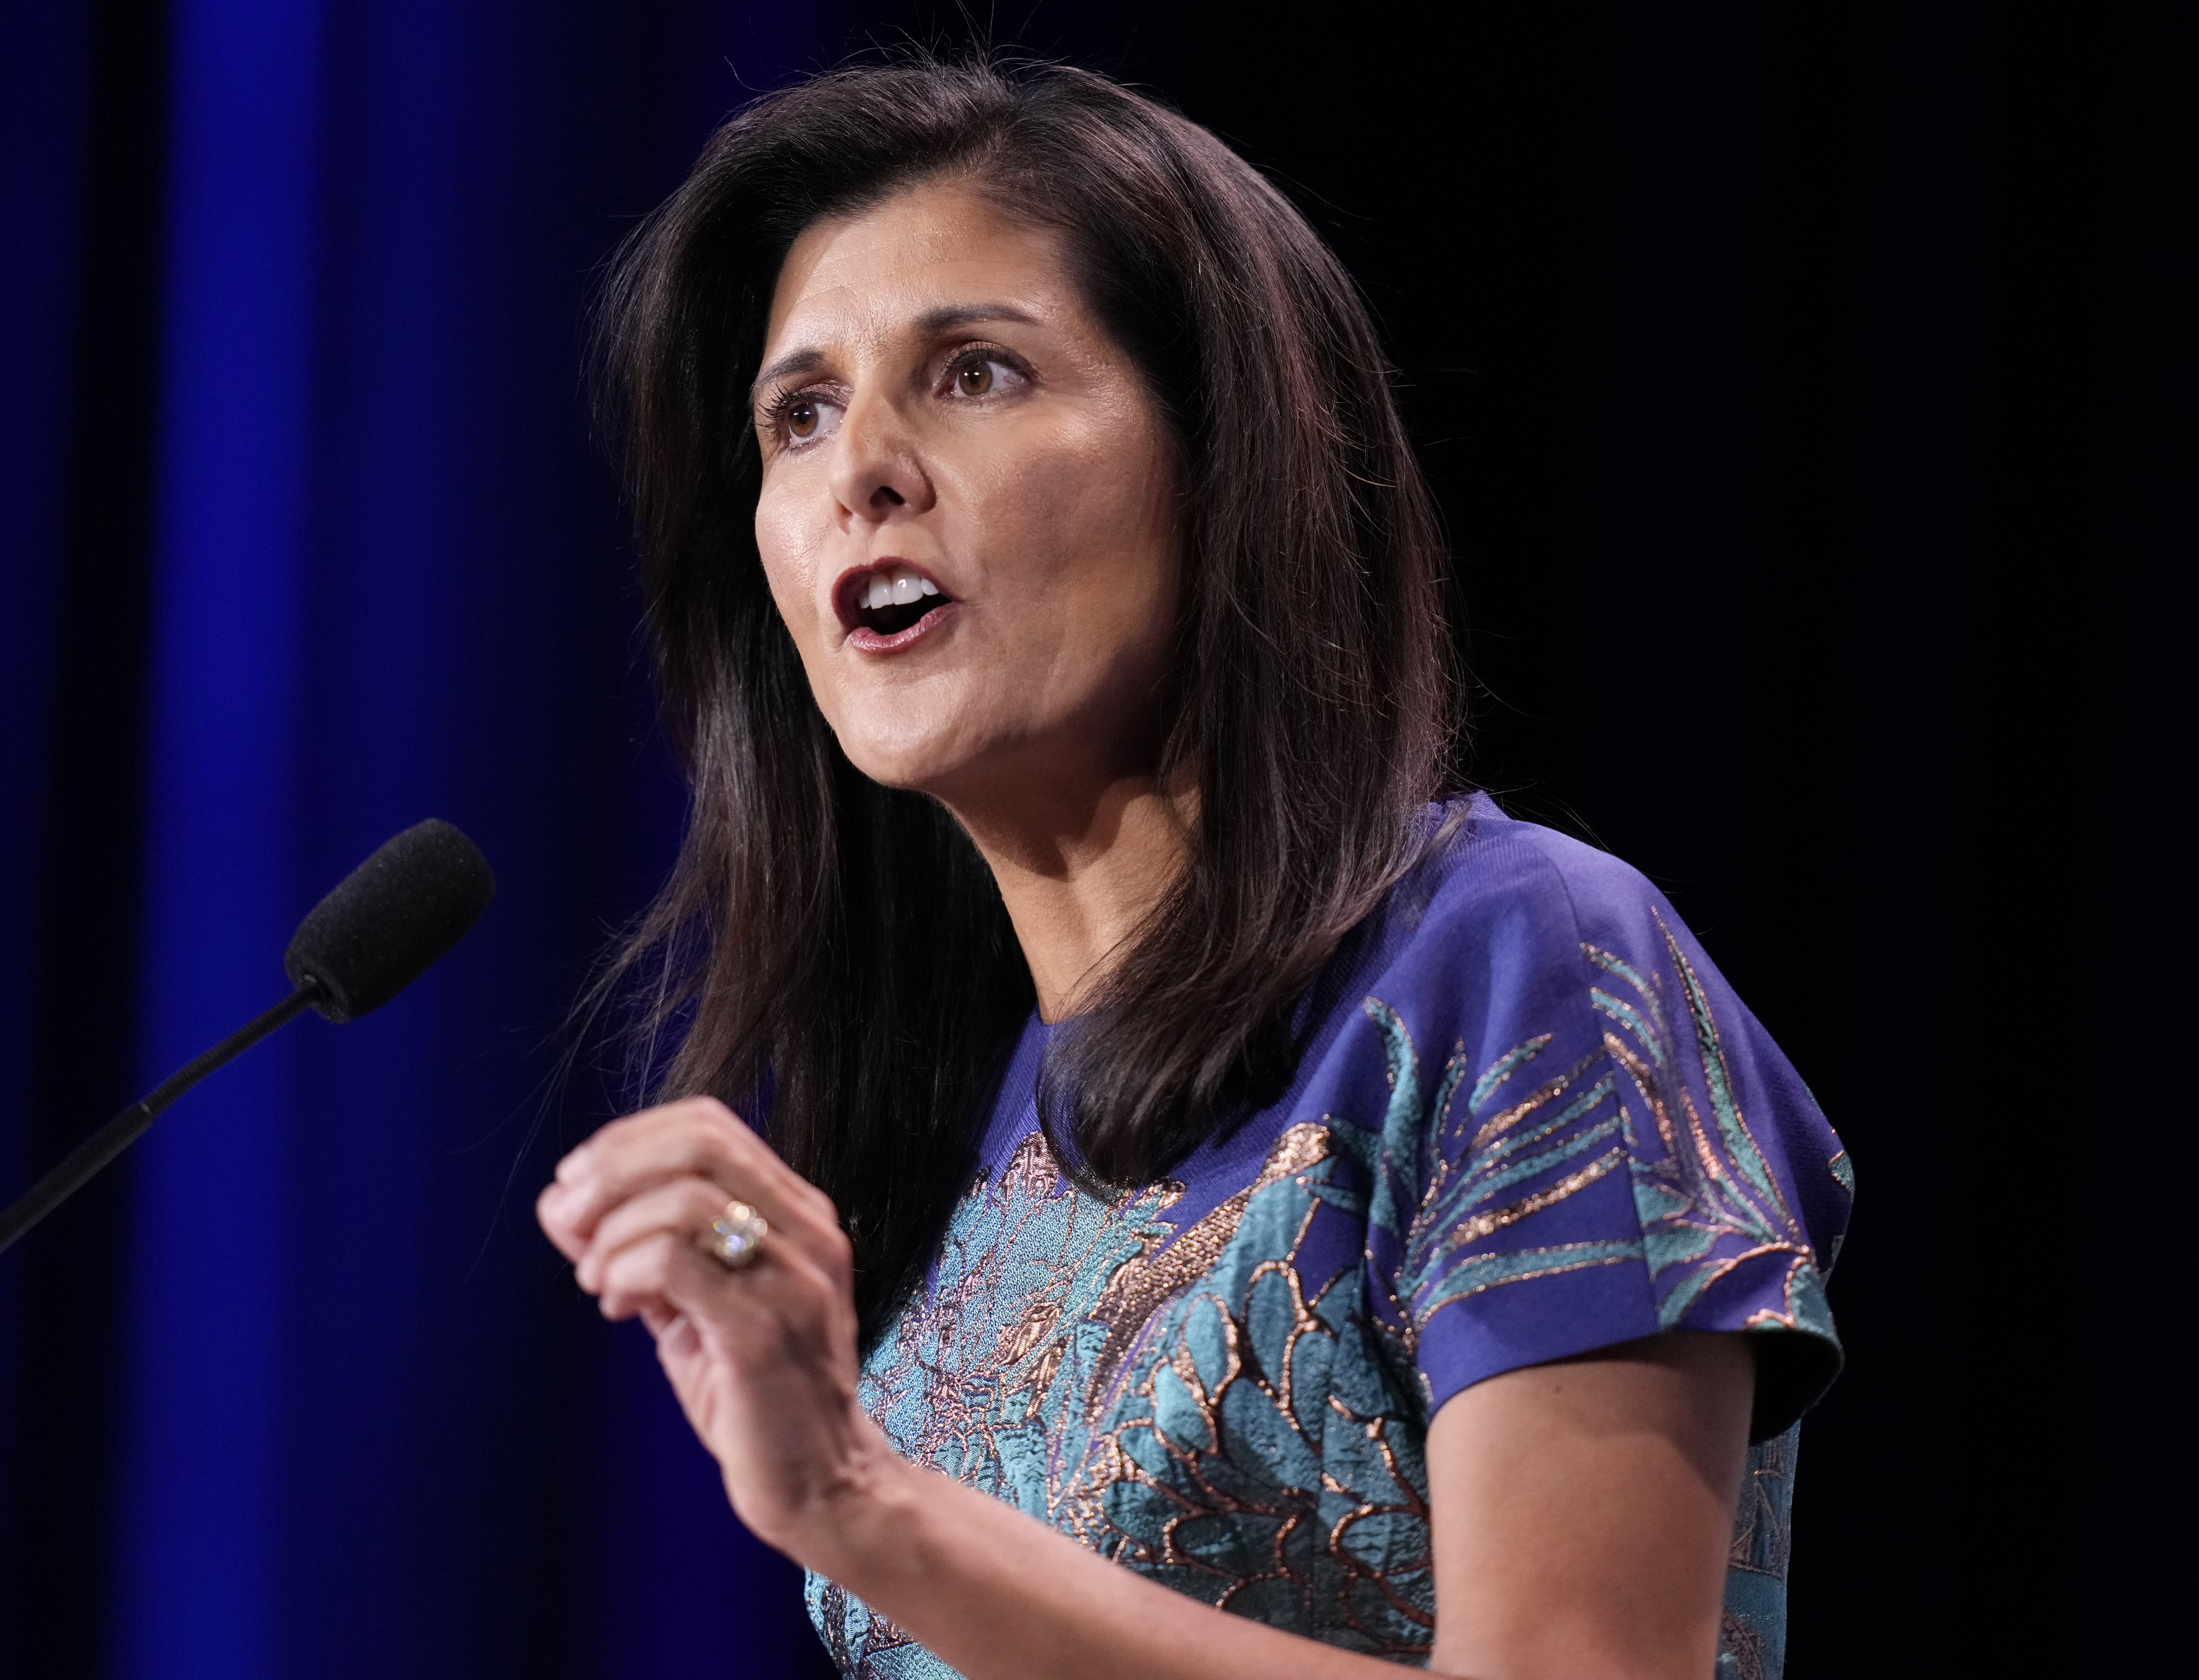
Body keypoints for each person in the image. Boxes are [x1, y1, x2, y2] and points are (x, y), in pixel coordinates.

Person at [535, 56, 1850, 1680]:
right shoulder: (968, 1126)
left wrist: (865, 1504)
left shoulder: (1516, 960)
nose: (858, 465)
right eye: (796, 414)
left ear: (1221, 454)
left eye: (976, 373)